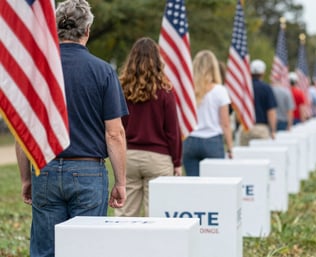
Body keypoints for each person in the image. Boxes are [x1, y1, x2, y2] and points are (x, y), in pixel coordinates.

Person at [15, 0, 128, 256]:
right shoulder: (103, 72)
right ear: (87, 30)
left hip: (46, 169)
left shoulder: (38, 72)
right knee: (87, 250)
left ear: (55, 28)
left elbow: (23, 130)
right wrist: (121, 181)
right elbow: (114, 133)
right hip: (89, 171)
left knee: (45, 250)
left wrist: (25, 178)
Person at [115, 37, 182, 217]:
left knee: (125, 215)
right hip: (159, 159)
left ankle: (121, 246)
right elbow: (173, 132)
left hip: (128, 156)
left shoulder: (121, 89)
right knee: (159, 215)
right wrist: (177, 162)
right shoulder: (166, 91)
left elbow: (116, 125)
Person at [183, 50, 233, 176]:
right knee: (214, 186)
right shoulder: (220, 91)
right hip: (213, 141)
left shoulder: (188, 90)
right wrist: (230, 147)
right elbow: (225, 123)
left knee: (192, 184)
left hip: (190, 140)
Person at [239, 59, 277, 145]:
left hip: (245, 127)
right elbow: (271, 111)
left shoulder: (244, 88)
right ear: (263, 73)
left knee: (244, 156)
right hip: (261, 128)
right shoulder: (266, 88)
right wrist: (273, 130)